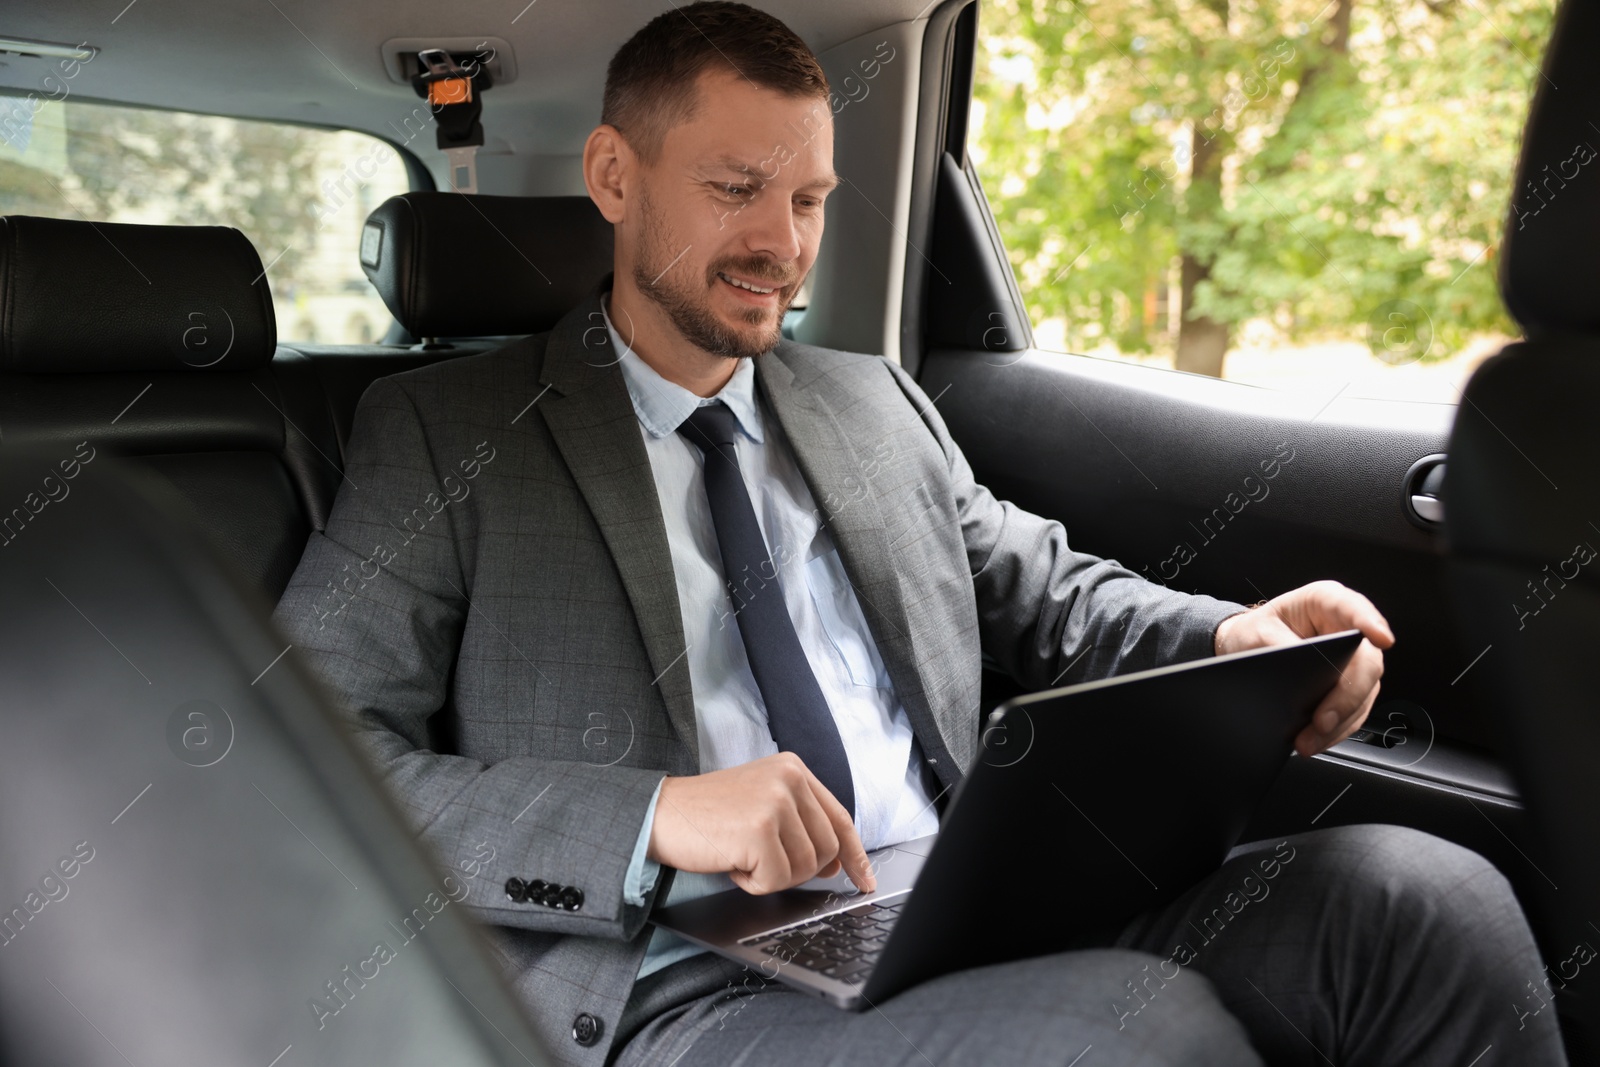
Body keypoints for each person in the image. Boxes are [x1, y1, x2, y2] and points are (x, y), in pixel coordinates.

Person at [270, 4, 1566, 1064]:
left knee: (1420, 897)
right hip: (684, 990)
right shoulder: (449, 435)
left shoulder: (869, 400)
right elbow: (301, 763)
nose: (785, 246)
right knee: (1134, 1037)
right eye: (738, 190)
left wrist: (1238, 639)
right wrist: (653, 816)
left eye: (814, 200)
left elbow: (1044, 598)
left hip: (962, 904)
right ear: (616, 176)